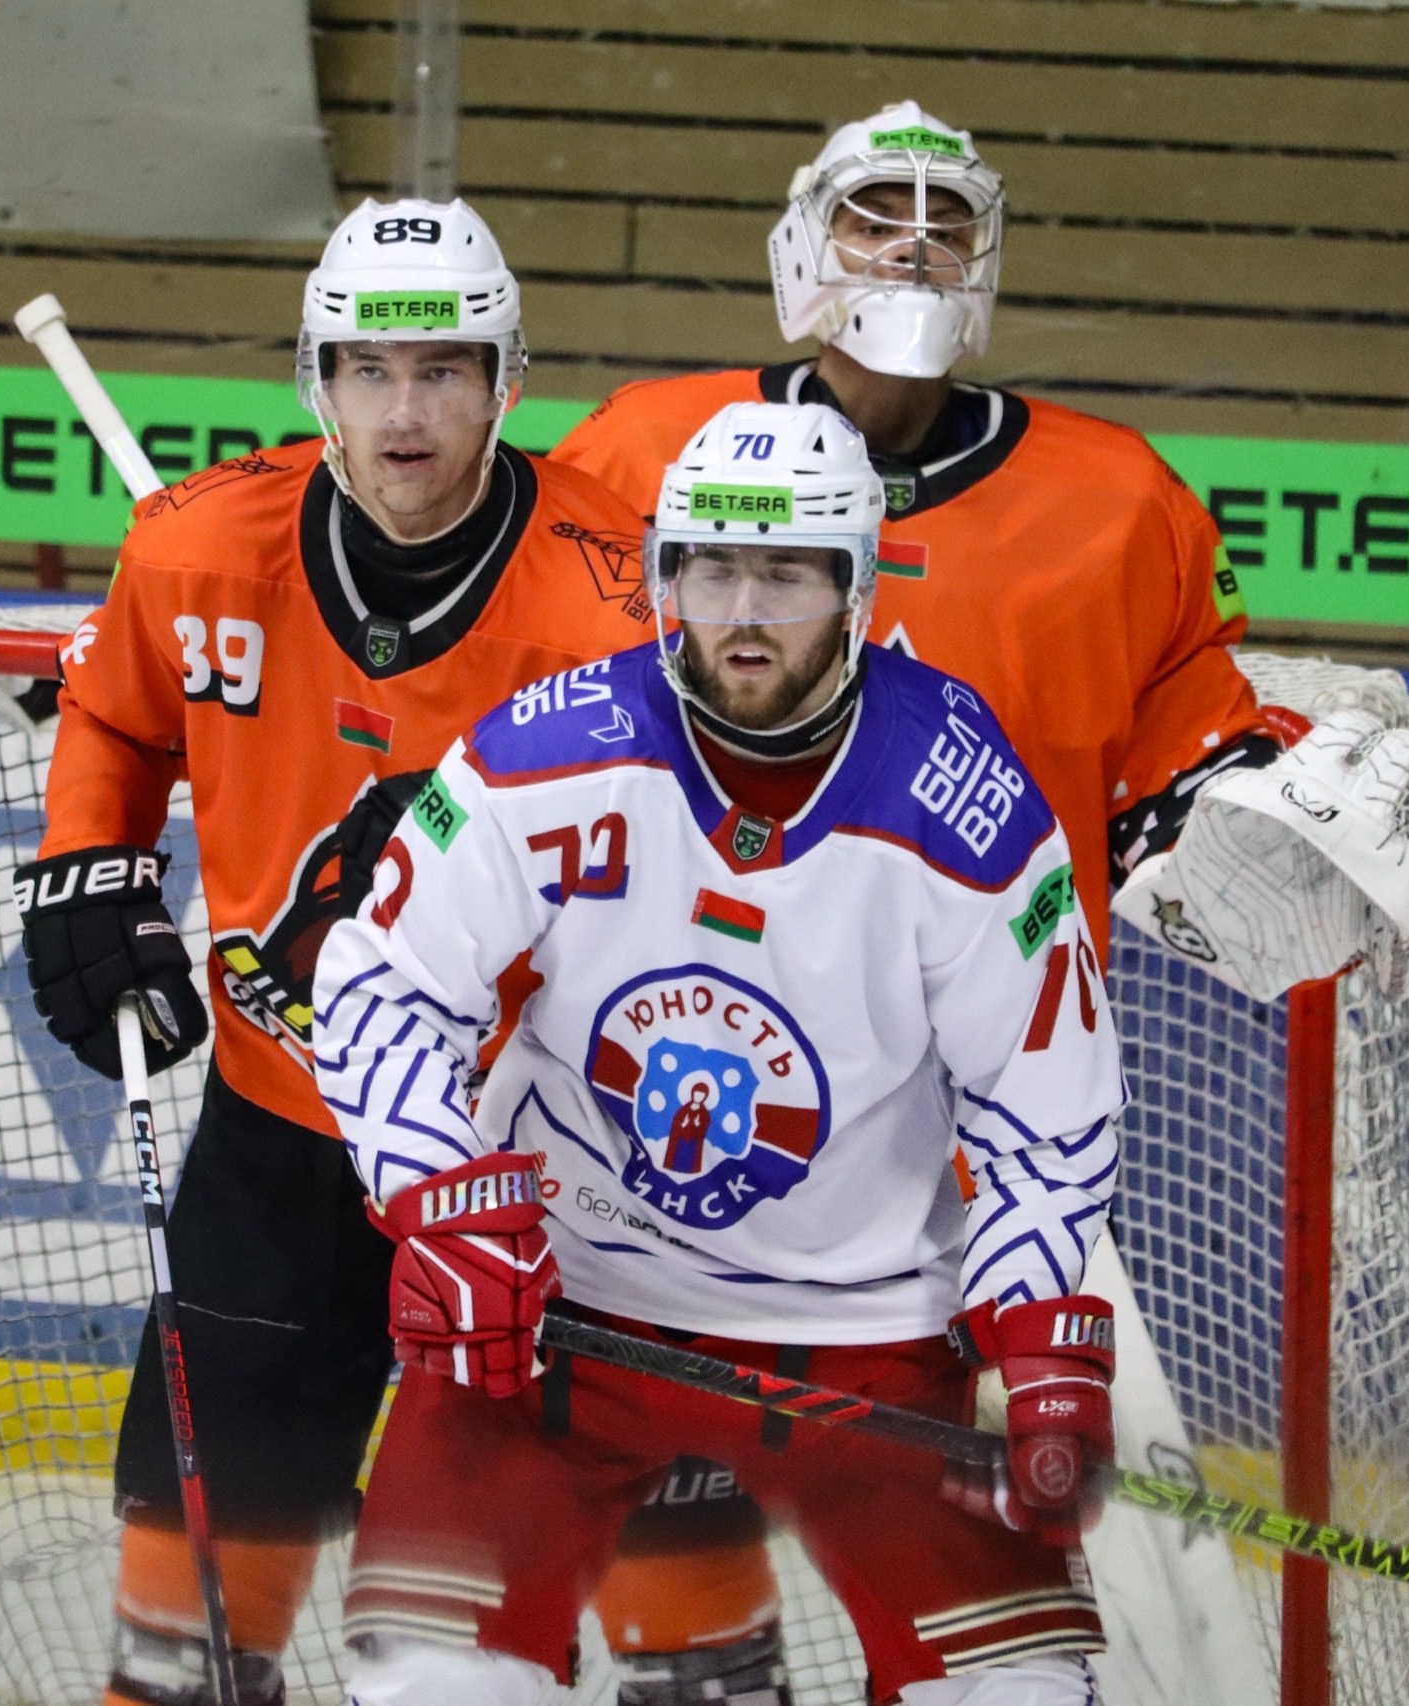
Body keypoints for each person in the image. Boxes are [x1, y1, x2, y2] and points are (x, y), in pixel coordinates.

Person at [547, 102, 1409, 1699]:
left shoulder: (1116, 504)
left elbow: (1181, 777)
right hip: (689, 1109)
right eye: (872, 213)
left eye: (944, 219)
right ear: (800, 246)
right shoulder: (639, 454)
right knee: (680, 1594)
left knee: (1013, 1612)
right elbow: (520, 696)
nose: (909, 247)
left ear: (989, 260)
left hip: (979, 1163)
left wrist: (1284, 818)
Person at [311, 402, 1129, 1706]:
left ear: (856, 587)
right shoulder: (546, 750)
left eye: (788, 574)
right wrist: (440, 1198)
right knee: (428, 1685)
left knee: (1020, 1698)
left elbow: (1045, 1109)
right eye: (713, 569)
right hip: (559, 1317)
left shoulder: (962, 803)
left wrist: (1034, 1328)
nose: (744, 614)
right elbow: (381, 983)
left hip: (869, 1339)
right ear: (665, 578)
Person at [12, 194, 655, 1706]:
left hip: (528, 1169)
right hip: (278, 1132)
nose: (404, 412)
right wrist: (90, 867)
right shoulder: (194, 546)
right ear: (319, 381)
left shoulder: (618, 594)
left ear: (506, 382)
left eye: (442, 371)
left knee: (514, 1654)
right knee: (182, 1642)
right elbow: (114, 714)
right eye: (370, 370)